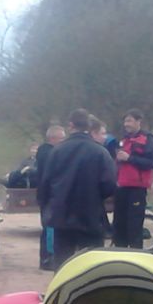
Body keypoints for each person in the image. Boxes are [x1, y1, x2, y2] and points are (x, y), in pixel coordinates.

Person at [37, 108, 117, 270]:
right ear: (88, 126)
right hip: (90, 215)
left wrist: (49, 209)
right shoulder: (100, 152)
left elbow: (45, 184)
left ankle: (62, 285)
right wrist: (96, 197)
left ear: (70, 125)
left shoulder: (56, 151)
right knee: (92, 266)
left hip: (61, 215)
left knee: (62, 265)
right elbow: (109, 185)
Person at [112, 108, 153, 249]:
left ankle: (136, 253)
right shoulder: (123, 139)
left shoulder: (148, 139)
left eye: (129, 121)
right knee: (119, 224)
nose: (126, 124)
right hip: (121, 187)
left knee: (134, 225)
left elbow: (150, 163)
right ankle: (119, 252)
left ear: (139, 121)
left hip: (137, 188)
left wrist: (129, 158)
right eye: (125, 121)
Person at [36, 124, 67, 269]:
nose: (64, 141)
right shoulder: (48, 153)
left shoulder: (44, 152)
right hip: (50, 196)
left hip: (46, 195)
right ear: (52, 138)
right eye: (62, 139)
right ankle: (48, 259)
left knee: (49, 228)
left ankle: (47, 258)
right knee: (50, 228)